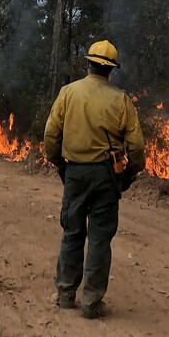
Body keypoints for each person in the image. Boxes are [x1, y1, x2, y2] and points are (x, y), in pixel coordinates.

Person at [43, 40, 146, 319]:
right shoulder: (121, 100)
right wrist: (129, 174)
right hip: (106, 176)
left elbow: (51, 136)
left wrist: (59, 164)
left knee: (72, 232)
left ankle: (65, 294)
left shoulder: (68, 93)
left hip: (75, 172)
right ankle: (90, 302)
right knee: (100, 237)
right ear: (110, 70)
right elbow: (135, 147)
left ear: (87, 64)